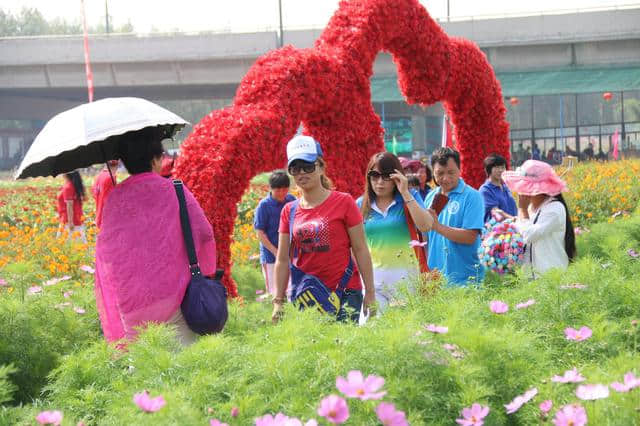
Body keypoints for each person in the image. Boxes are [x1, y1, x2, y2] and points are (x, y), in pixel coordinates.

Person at [95, 127, 217, 345]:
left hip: (132, 304)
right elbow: (205, 234)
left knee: (144, 370)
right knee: (185, 369)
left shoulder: (114, 199)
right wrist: (203, 271)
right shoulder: (175, 190)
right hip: (176, 298)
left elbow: (107, 253)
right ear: (155, 159)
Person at [271, 135, 375, 323]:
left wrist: (370, 291)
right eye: (295, 168)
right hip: (307, 296)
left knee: (342, 351)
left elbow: (360, 249)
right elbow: (282, 258)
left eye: (308, 166)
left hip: (345, 293)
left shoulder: (344, 202)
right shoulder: (289, 210)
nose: (302, 173)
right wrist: (278, 301)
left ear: (320, 167)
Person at [357, 152, 433, 310]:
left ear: (397, 176)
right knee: (376, 331)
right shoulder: (361, 204)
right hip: (374, 285)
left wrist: (405, 193)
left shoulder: (410, 197)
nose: (379, 182)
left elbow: (425, 225)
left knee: (407, 333)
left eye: (386, 176)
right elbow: (356, 247)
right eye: (374, 175)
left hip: (407, 285)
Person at [502, 160, 576, 278]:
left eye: (526, 187)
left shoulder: (554, 209)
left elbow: (529, 235)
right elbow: (523, 228)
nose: (522, 192)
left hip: (550, 277)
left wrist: (522, 209)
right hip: (530, 277)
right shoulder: (532, 207)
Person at [422, 147, 485, 285]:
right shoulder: (430, 197)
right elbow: (425, 238)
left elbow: (470, 237)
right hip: (437, 281)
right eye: (440, 173)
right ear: (433, 173)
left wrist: (437, 227)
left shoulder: (472, 196)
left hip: (467, 280)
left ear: (459, 170)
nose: (445, 178)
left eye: (451, 172)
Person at [254, 170, 296, 297]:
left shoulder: (292, 200)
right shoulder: (264, 206)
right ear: (270, 188)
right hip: (271, 256)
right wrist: (275, 251)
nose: (282, 193)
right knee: (275, 291)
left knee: (293, 289)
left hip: (291, 252)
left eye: (285, 189)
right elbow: (260, 233)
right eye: (278, 190)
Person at [479, 154, 517, 222]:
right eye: (496, 167)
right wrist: (513, 219)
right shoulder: (485, 190)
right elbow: (496, 212)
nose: (500, 170)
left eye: (502, 167)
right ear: (489, 169)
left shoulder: (505, 187)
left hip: (512, 228)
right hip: (496, 230)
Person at [56, 170, 87, 242]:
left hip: (69, 221)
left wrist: (70, 223)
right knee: (78, 244)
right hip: (74, 218)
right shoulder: (71, 185)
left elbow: (69, 206)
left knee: (66, 245)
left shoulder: (68, 187)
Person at [92, 160, 119, 229]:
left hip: (99, 215)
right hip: (107, 219)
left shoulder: (99, 176)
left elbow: (95, 195)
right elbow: (110, 201)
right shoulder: (111, 177)